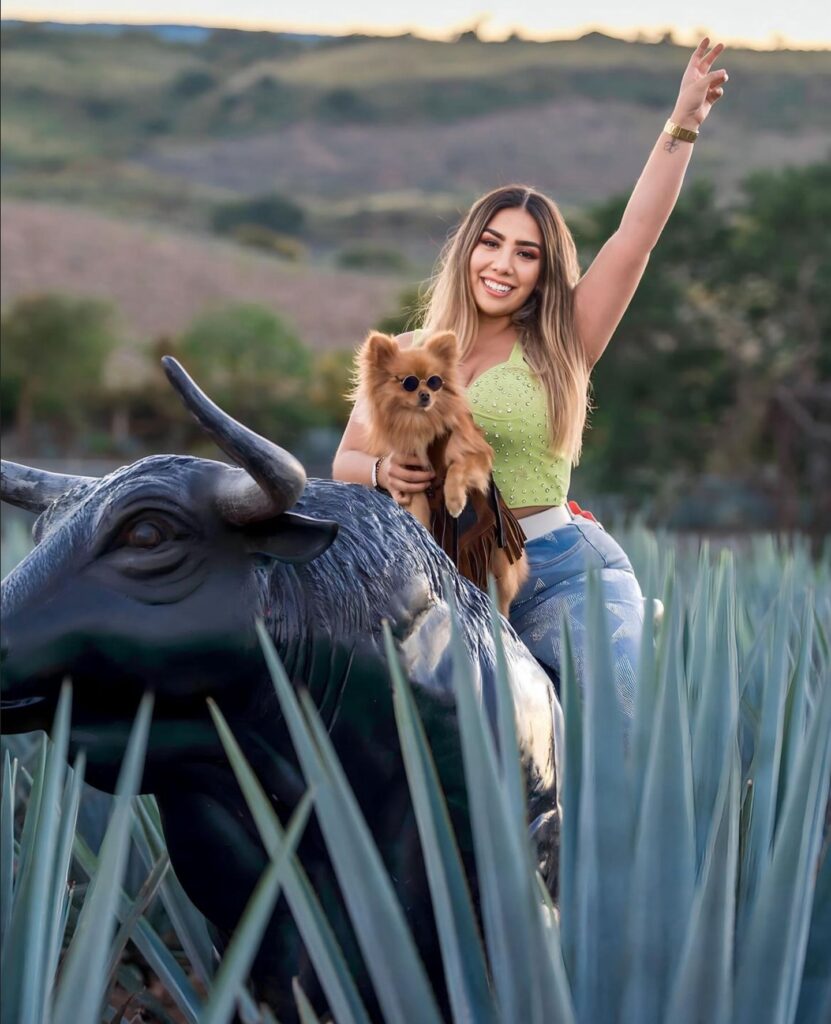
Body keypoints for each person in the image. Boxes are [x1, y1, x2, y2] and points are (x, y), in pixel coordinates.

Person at [332, 38, 728, 719]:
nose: (503, 265)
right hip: (443, 586)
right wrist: (381, 477)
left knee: (616, 735)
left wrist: (681, 124)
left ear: (543, 272)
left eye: (526, 254)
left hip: (560, 575)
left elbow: (634, 237)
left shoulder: (560, 342)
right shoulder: (403, 355)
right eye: (491, 243)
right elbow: (344, 462)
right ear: (466, 249)